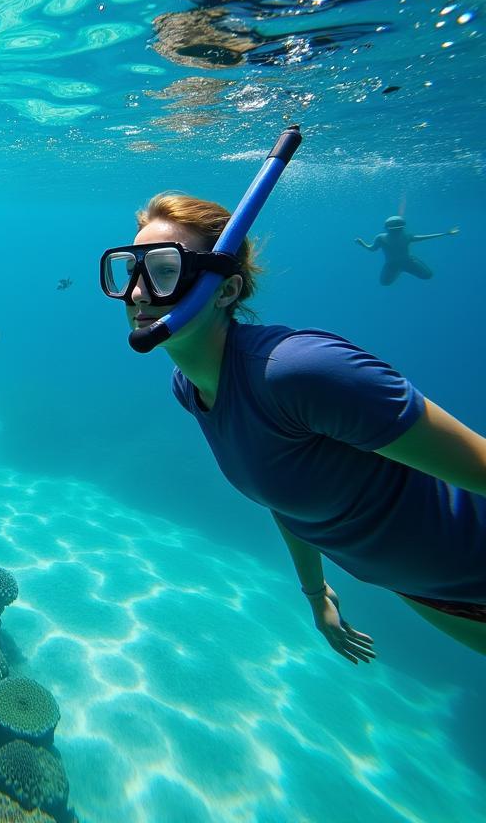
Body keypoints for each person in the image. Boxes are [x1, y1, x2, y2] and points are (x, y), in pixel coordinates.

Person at [101, 192, 486, 661]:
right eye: (130, 270)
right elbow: (284, 497)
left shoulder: (298, 371)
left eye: (165, 270)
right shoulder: (190, 387)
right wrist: (316, 594)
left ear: (226, 291)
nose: (137, 291)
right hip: (429, 596)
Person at [355, 215, 459, 285]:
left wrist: (446, 233)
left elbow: (372, 249)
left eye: (398, 229)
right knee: (385, 283)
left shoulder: (385, 237)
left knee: (428, 276)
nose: (397, 231)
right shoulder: (389, 237)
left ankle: (402, 270)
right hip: (399, 263)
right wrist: (362, 243)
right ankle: (402, 270)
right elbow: (425, 237)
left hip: (403, 262)